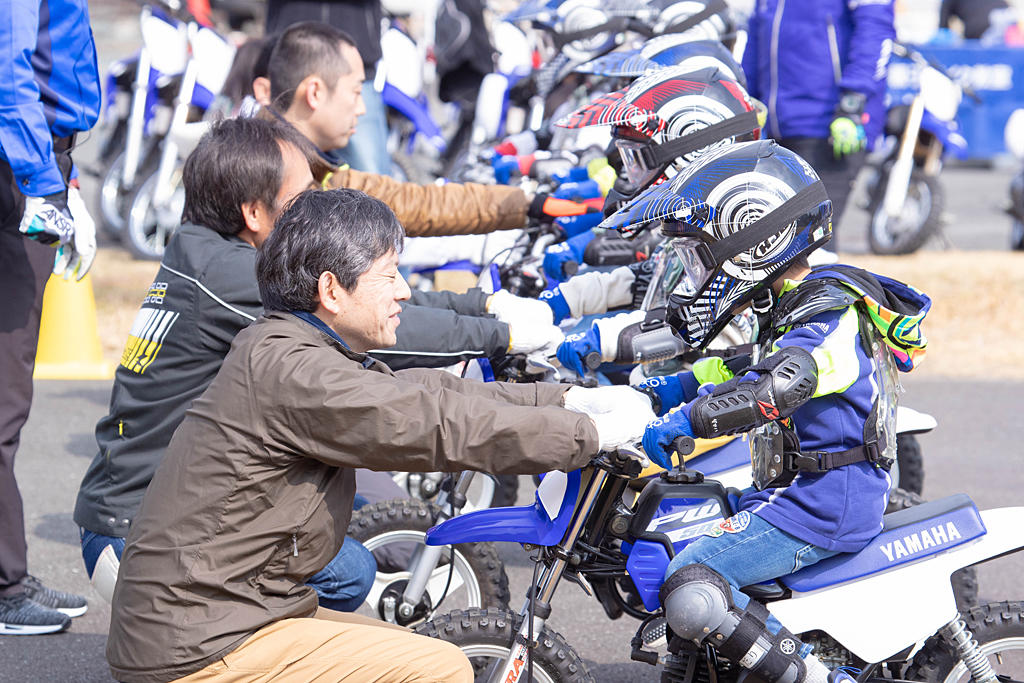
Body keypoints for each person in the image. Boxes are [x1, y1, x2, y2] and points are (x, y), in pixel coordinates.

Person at [106, 187, 656, 682]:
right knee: (438, 668)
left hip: (221, 614)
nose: (403, 293)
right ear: (332, 290)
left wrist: (564, 400)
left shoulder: (291, 348)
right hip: (200, 642)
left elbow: (424, 395)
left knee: (411, 647)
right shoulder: (297, 371)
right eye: (388, 275)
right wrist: (585, 433)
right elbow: (428, 424)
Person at [601, 139, 930, 682]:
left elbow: (779, 383)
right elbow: (742, 366)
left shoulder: (830, 315)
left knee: (691, 580)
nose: (695, 274)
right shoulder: (791, 306)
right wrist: (667, 391)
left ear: (754, 241)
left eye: (699, 256)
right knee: (673, 526)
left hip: (824, 504)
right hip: (793, 493)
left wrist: (689, 423)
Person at [74, 117, 385, 612]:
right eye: (300, 200)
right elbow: (362, 318)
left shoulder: (200, 251)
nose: (314, 211)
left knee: (358, 510)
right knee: (350, 570)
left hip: (126, 518)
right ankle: (235, 650)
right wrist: (495, 328)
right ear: (255, 212)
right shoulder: (234, 274)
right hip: (139, 540)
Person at [261, 21, 593, 238]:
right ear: (316, 92)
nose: (361, 108)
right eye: (356, 91)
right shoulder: (273, 174)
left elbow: (413, 202)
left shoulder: (307, 166)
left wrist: (525, 203)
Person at [0, 0, 101, 635]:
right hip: (19, 165)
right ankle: (4, 587)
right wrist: (42, 183)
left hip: (34, 158)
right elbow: (7, 71)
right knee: (4, 398)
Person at [742, 0, 896, 253]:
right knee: (776, 244)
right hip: (779, 127)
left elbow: (876, 29)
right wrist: (744, 102)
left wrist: (853, 100)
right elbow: (756, 42)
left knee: (813, 242)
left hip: (831, 125)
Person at [266, 0, 392, 175]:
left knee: (371, 179)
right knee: (273, 172)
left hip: (354, 65)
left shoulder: (357, 97)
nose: (360, 109)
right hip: (290, 61)